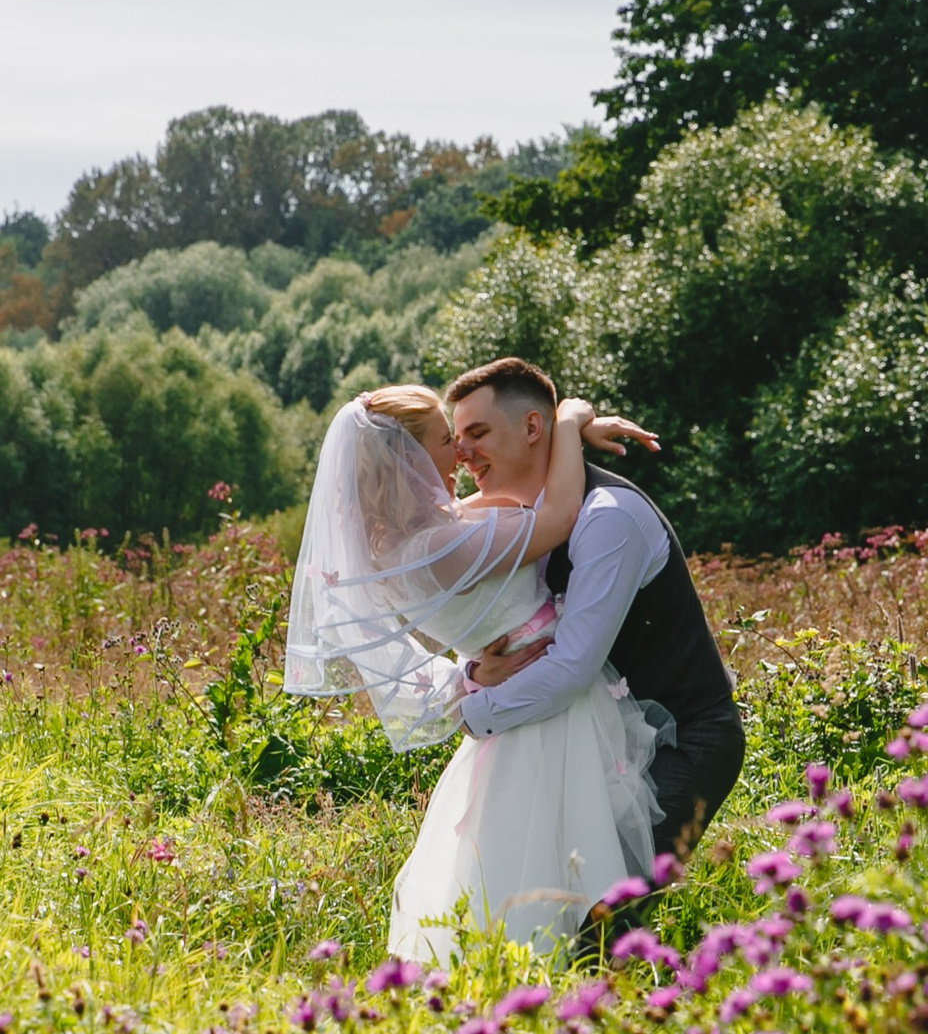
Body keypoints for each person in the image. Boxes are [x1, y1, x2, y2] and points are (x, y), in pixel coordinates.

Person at [281, 383, 661, 960]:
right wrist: (569, 420)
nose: (459, 453)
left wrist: (471, 679)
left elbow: (515, 498)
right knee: (563, 865)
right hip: (548, 702)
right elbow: (555, 516)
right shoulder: (441, 544)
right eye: (444, 440)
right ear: (407, 459)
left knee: (517, 862)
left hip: (514, 697)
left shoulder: (405, 540)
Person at [446, 358, 745, 888]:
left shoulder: (607, 517)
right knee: (552, 903)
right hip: (603, 745)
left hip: (684, 740)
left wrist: (473, 714)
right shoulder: (525, 520)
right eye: (455, 437)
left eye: (477, 432)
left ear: (533, 427)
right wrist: (477, 670)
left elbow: (571, 667)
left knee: (606, 919)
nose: (462, 451)